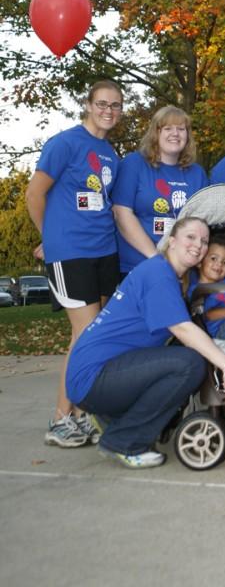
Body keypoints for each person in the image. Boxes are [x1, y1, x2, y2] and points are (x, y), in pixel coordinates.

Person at [65, 217, 225, 469]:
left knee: (182, 354)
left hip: (100, 373)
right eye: (191, 237)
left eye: (204, 241)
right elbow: (182, 329)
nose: (198, 245)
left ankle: (114, 417)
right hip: (92, 377)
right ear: (172, 241)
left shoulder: (173, 276)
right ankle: (123, 440)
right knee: (189, 364)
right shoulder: (158, 274)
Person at [25, 80, 124, 448]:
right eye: (102, 103)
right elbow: (34, 193)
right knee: (87, 336)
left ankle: (79, 414)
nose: (108, 111)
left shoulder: (109, 152)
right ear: (88, 104)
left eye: (115, 105)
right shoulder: (65, 143)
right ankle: (61, 419)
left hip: (103, 251)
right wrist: (49, 239)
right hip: (71, 253)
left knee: (88, 335)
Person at [112, 105, 208, 276]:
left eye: (181, 129)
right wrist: (155, 257)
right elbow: (122, 213)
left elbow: (202, 223)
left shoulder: (197, 173)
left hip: (182, 269)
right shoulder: (134, 164)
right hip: (138, 265)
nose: (175, 133)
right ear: (156, 133)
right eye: (168, 128)